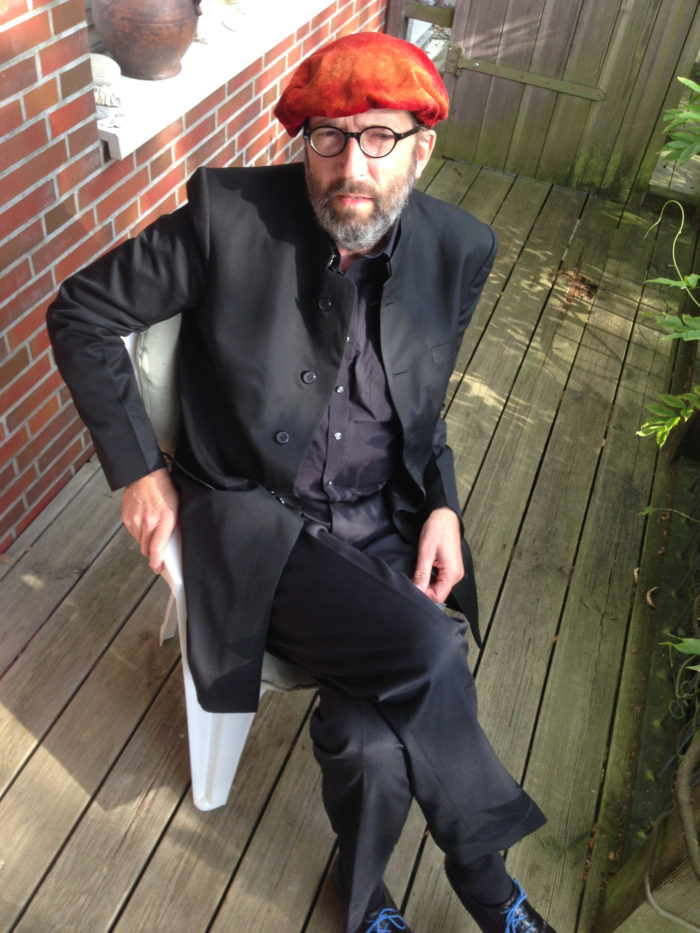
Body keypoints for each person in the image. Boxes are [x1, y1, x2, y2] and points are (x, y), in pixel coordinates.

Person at [47, 31, 557, 933]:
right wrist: (137, 471)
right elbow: (79, 312)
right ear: (304, 142)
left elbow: (422, 409)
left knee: (366, 739)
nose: (350, 166)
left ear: (422, 148)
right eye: (329, 137)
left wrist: (442, 503)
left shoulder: (459, 249)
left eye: (379, 138)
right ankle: (488, 884)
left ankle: (362, 907)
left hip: (383, 517)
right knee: (430, 648)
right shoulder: (228, 216)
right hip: (256, 524)